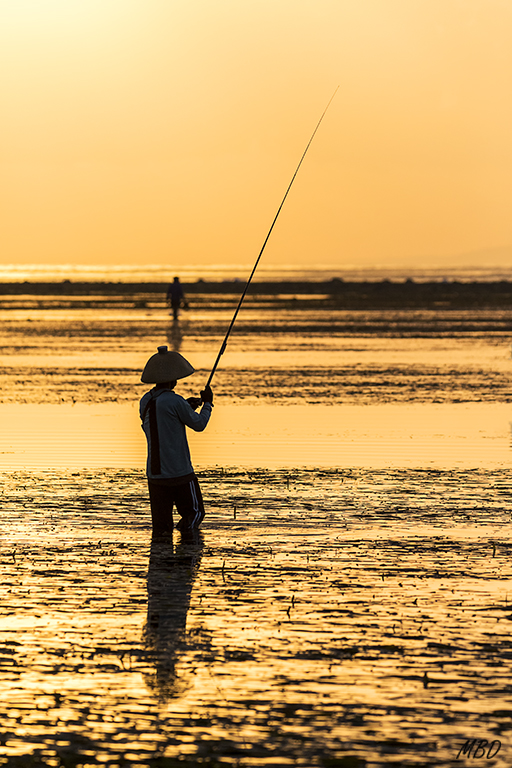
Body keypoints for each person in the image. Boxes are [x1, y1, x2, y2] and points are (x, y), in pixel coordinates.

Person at [140, 345, 213, 536]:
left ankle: (162, 553)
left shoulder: (145, 401)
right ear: (173, 380)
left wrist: (186, 406)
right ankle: (187, 547)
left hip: (155, 475)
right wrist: (207, 403)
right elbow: (199, 424)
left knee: (161, 527)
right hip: (179, 472)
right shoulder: (175, 401)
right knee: (195, 514)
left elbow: (163, 417)